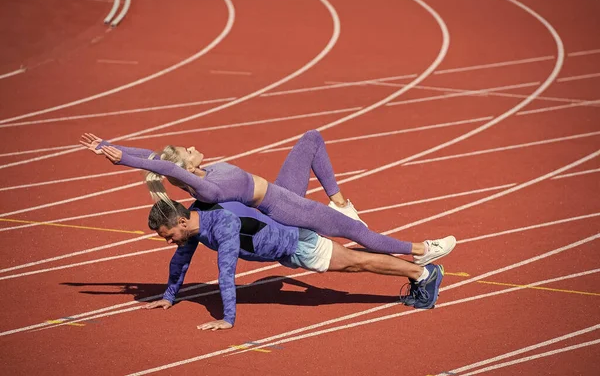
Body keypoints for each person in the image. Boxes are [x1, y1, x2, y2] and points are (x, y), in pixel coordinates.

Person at [80, 130, 455, 263]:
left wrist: (108, 147)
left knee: (311, 138)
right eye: (189, 150)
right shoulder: (203, 186)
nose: (194, 147)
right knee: (354, 233)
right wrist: (125, 162)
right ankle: (423, 249)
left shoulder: (199, 173)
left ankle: (341, 201)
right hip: (285, 207)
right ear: (187, 168)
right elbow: (166, 167)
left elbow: (154, 158)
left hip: (281, 192)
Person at [144, 199, 449, 330]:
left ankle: (422, 273)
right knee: (355, 260)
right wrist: (169, 296)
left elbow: (226, 273)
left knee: (356, 262)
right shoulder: (196, 218)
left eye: (168, 235)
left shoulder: (220, 225)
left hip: (295, 243)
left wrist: (228, 319)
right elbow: (181, 260)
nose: (169, 241)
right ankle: (419, 271)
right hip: (288, 241)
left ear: (181, 221)